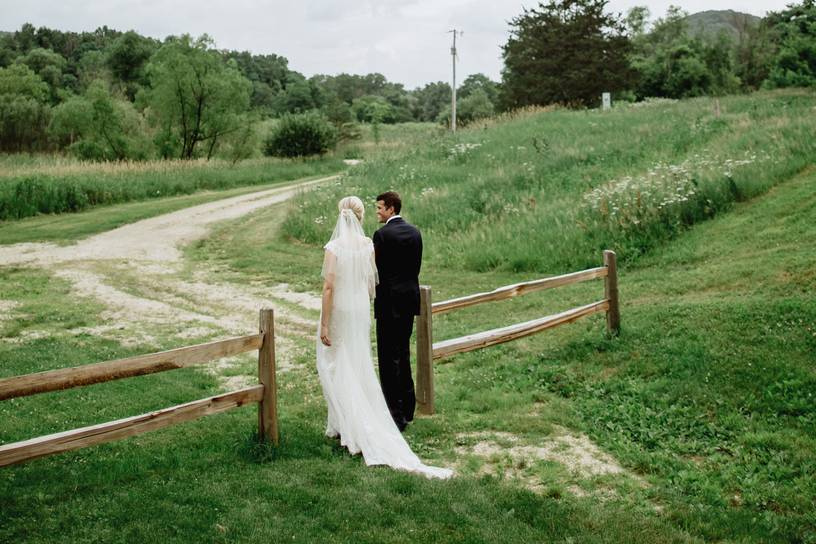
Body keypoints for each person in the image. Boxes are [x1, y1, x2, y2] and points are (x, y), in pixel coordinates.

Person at [315, 196, 452, 479]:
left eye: (380, 207)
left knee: (346, 363)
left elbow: (332, 286)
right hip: (379, 305)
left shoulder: (343, 245)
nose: (377, 212)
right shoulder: (377, 242)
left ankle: (357, 422)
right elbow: (370, 280)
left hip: (351, 307)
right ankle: (399, 409)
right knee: (375, 359)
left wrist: (325, 323)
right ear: (360, 215)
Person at [371, 191, 421, 432]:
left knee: (388, 360)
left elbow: (375, 272)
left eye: (380, 207)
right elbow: (415, 267)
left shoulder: (381, 235)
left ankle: (395, 416)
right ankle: (409, 409)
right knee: (403, 353)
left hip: (388, 304)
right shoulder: (415, 232)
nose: (377, 212)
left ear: (391, 208)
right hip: (408, 301)